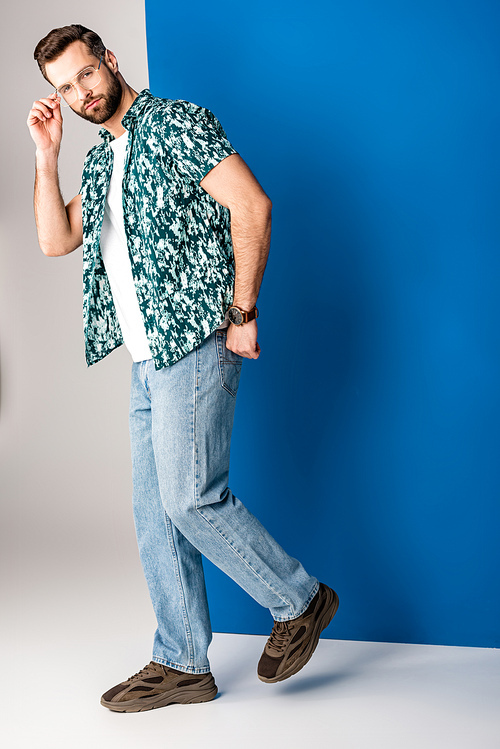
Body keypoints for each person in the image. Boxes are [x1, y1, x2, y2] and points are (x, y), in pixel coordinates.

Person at [28, 23, 339, 713]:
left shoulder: (173, 125)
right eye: (63, 88)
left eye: (84, 74)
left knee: (190, 497)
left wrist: (244, 311)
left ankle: (301, 599)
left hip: (195, 341)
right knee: (155, 513)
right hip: (145, 358)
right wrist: (46, 156)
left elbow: (250, 203)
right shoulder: (100, 160)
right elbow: (56, 239)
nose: (79, 94)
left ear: (109, 60)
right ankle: (181, 660)